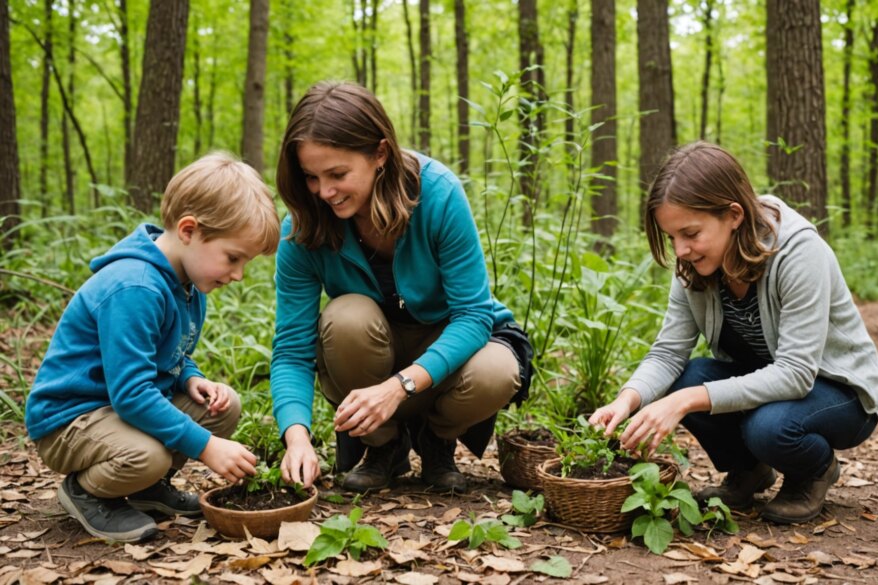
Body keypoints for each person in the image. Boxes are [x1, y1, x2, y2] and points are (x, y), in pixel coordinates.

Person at [589, 142, 878, 524]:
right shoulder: (694, 264)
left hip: (837, 391)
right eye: (671, 237)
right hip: (767, 383)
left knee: (768, 426)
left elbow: (796, 373)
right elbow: (667, 354)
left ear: (733, 214)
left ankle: (813, 471)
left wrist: (684, 401)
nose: (680, 249)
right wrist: (626, 401)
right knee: (685, 377)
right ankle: (749, 472)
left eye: (690, 233)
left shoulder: (798, 253)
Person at [271, 81, 531, 494]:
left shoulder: (439, 194)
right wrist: (296, 436)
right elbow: (291, 347)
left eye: (337, 174)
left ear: (380, 154)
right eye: (310, 177)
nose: (324, 192)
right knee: (346, 317)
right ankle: (384, 449)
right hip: (370, 348)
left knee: (496, 372)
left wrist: (399, 387)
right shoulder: (303, 227)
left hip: (451, 345)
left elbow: (474, 315)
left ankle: (437, 442)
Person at [25, 152, 280, 542]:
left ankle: (146, 489)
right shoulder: (136, 287)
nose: (238, 275)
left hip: (115, 406)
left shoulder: (189, 284)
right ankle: (87, 492)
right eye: (233, 258)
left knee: (222, 407)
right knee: (149, 455)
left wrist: (190, 378)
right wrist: (207, 447)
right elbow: (131, 393)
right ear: (189, 230)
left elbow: (168, 354)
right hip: (69, 420)